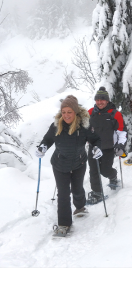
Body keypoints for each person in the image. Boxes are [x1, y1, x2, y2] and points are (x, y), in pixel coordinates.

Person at [36, 95, 102, 237]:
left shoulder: (84, 125)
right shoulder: (56, 125)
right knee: (64, 193)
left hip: (79, 163)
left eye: (69, 112)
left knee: (77, 188)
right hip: (60, 164)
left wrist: (97, 148)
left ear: (76, 112)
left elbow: (95, 140)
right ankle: (64, 224)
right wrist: (42, 148)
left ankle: (79, 207)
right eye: (64, 112)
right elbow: (47, 140)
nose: (66, 115)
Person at [87, 87, 127, 203]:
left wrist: (120, 145)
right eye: (97, 100)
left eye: (102, 100)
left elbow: (122, 131)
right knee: (93, 170)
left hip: (108, 147)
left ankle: (113, 176)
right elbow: (84, 128)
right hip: (94, 148)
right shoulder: (90, 113)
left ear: (107, 100)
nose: (100, 102)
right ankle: (97, 194)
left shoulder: (115, 114)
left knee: (105, 170)